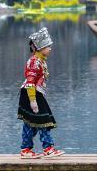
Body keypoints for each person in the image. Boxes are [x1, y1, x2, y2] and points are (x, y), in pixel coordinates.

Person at [17, 27, 63, 158]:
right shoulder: (34, 62)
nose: (50, 49)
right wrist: (33, 101)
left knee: (32, 122)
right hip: (31, 94)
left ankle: (26, 148)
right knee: (43, 120)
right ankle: (47, 148)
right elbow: (30, 82)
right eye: (48, 46)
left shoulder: (40, 60)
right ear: (40, 48)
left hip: (37, 94)